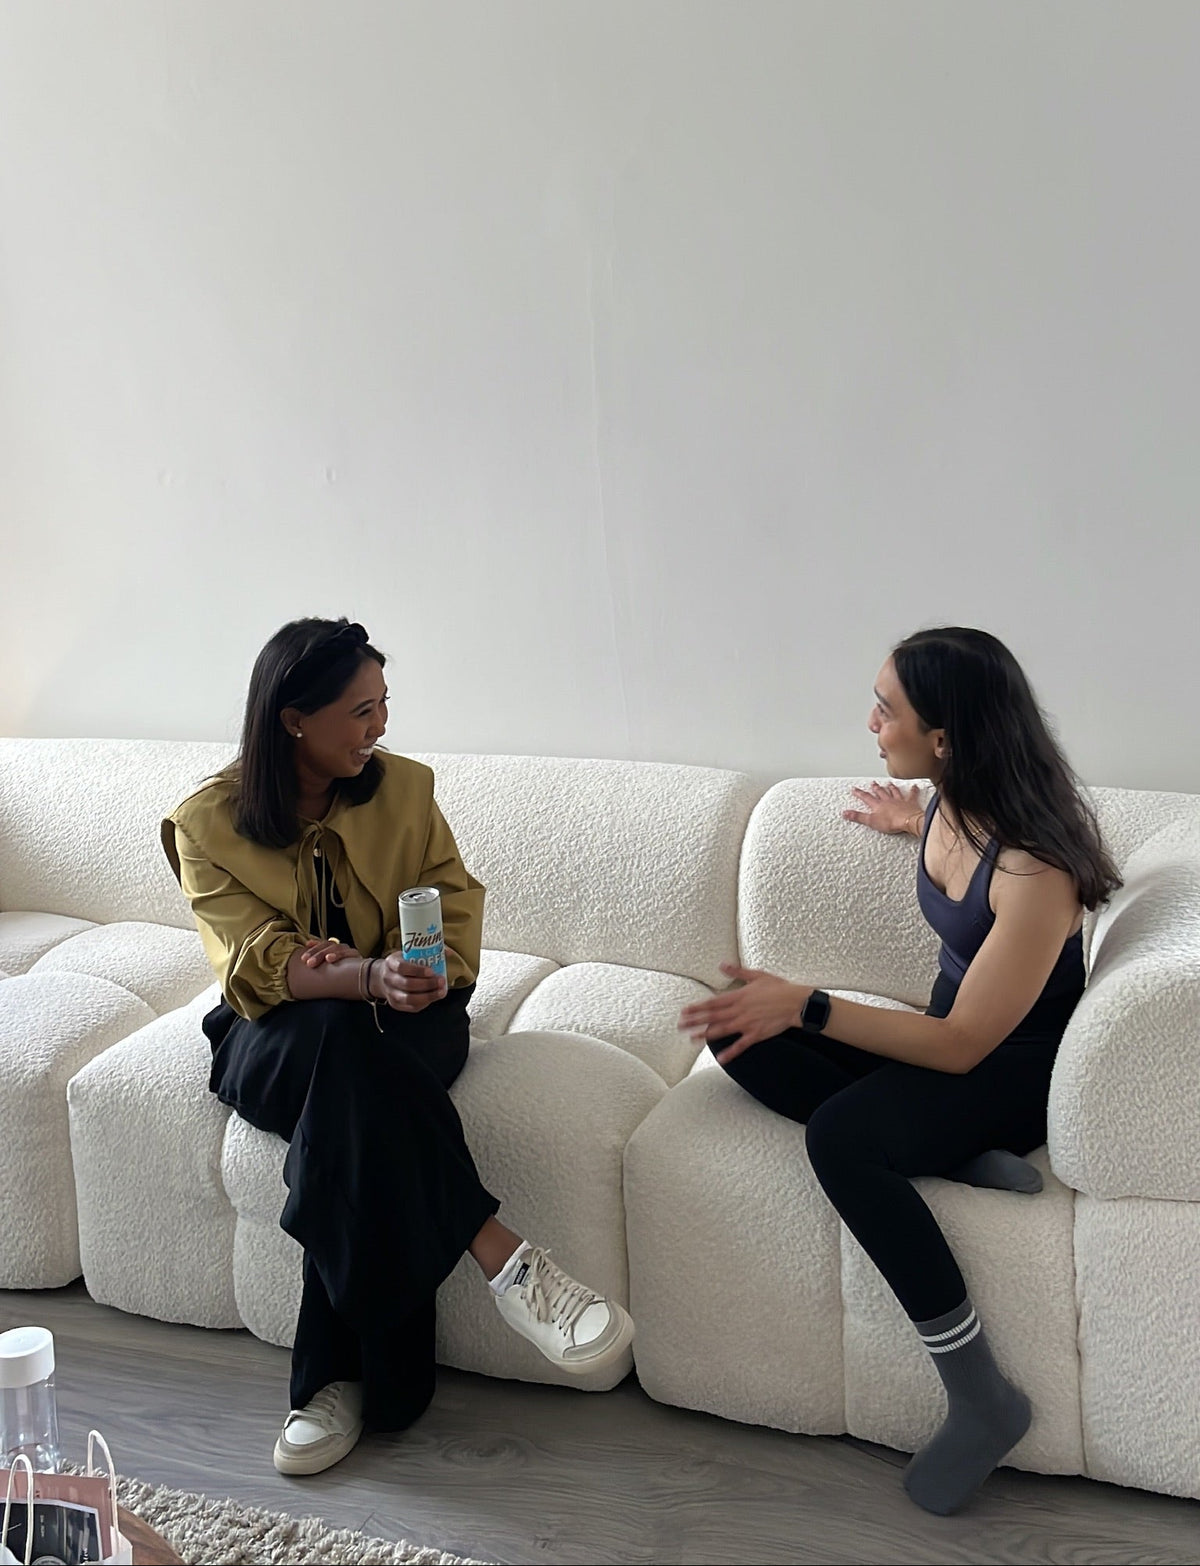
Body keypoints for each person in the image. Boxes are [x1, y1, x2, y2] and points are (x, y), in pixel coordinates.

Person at [162, 617, 633, 1476]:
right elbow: (255, 964)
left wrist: (417, 975)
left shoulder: (407, 791)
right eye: (359, 711)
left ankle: (328, 1386)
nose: (379, 727)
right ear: (292, 718)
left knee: (352, 1109)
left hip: (414, 1018)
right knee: (343, 1044)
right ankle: (506, 1259)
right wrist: (359, 980)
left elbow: (454, 907)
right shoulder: (206, 823)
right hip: (275, 1034)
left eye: (384, 706)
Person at [679, 626, 1120, 1516]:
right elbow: (945, 840)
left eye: (888, 709)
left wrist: (807, 1004)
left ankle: (982, 1396)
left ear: (947, 734)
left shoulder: (1039, 871)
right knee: (733, 1035)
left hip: (1006, 1075)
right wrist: (907, 817)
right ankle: (948, 1158)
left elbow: (960, 1045)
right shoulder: (956, 798)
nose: (870, 720)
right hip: (952, 1047)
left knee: (843, 1137)